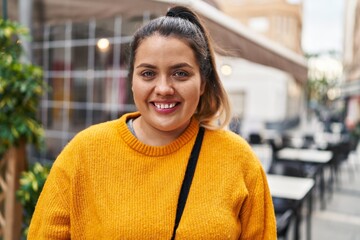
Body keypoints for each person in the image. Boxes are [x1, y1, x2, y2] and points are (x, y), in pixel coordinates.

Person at [28, 5, 276, 239]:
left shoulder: (238, 159)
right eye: (148, 73)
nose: (164, 88)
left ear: (202, 83)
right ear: (132, 81)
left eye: (181, 73)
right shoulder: (84, 153)